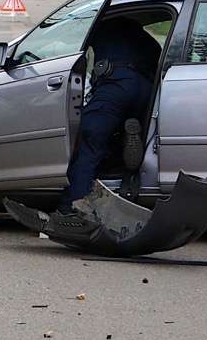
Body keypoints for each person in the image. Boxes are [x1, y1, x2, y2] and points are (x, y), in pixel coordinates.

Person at [54, 15, 163, 219]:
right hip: (145, 91)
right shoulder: (148, 41)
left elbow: (71, 52)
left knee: (89, 141)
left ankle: (71, 208)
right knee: (124, 138)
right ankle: (126, 170)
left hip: (115, 86)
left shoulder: (102, 28)